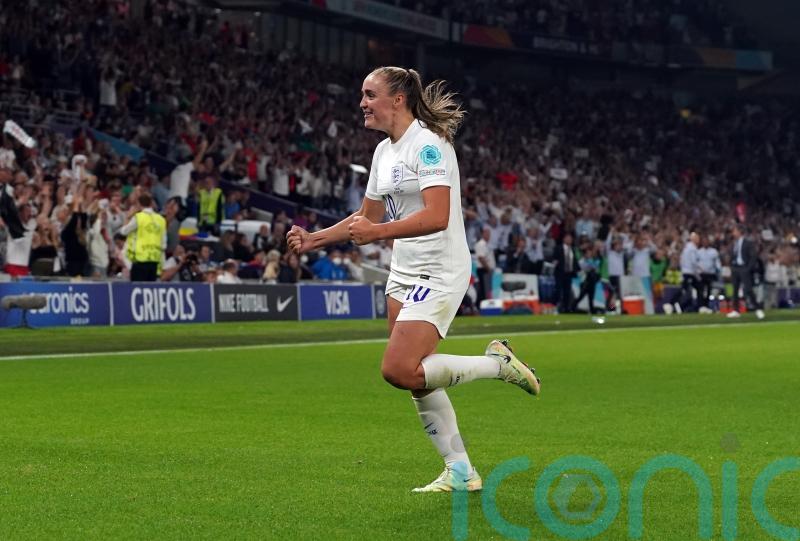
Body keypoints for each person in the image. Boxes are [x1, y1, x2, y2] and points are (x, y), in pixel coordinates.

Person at [287, 66, 540, 493]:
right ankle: (460, 470)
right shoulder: (384, 152)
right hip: (403, 271)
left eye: (369, 95)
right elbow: (364, 219)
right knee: (414, 375)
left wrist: (377, 233)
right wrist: (317, 240)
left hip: (440, 269)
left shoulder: (428, 146)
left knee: (398, 369)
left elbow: (437, 216)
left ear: (397, 100)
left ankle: (496, 365)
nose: (362, 103)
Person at [121, 193, 167, 282]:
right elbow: (164, 243)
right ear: (150, 203)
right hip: (154, 260)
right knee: (149, 288)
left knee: (138, 287)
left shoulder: (139, 217)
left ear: (138, 204)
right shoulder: (161, 220)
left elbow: (124, 231)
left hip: (140, 259)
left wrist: (128, 216)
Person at [728, 224, 765, 319]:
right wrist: (732, 266)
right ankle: (736, 310)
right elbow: (731, 255)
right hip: (735, 268)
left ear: (740, 231)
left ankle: (758, 309)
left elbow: (753, 256)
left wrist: (748, 268)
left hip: (744, 268)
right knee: (735, 290)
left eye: (735, 231)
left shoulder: (748, 243)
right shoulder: (733, 243)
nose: (733, 233)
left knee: (748, 289)